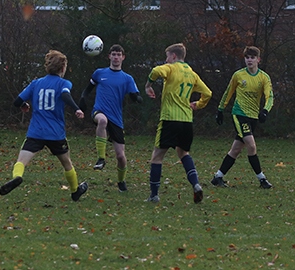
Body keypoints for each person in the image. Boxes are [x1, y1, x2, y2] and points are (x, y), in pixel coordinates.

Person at [0, 50, 89, 201]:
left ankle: (17, 177)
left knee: (21, 161)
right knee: (67, 164)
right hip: (55, 133)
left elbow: (16, 101)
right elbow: (65, 95)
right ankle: (75, 191)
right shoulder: (64, 83)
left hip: (36, 132)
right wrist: (77, 109)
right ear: (62, 68)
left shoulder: (36, 83)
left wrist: (24, 104)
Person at [144, 43, 212, 204]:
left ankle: (154, 195)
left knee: (157, 157)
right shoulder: (192, 73)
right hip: (186, 121)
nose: (166, 60)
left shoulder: (171, 68)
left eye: (167, 56)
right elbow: (207, 93)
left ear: (173, 56)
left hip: (169, 119)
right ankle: (196, 185)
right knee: (183, 154)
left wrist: (148, 85)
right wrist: (198, 104)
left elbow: (156, 71)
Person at [78, 44, 142, 192]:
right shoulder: (99, 73)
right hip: (99, 110)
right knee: (102, 120)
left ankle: (121, 181)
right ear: (109, 56)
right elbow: (87, 89)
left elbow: (134, 95)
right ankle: (101, 158)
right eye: (113, 54)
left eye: (119, 55)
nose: (116, 57)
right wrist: (82, 99)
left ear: (123, 57)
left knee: (120, 156)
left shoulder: (127, 78)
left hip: (117, 119)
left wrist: (137, 98)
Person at [212, 46, 274, 189]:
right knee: (251, 146)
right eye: (247, 57)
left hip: (253, 117)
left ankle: (218, 177)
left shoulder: (264, 77)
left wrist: (265, 110)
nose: (249, 60)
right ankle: (262, 179)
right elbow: (229, 92)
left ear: (258, 59)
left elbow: (269, 96)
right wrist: (221, 109)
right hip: (240, 115)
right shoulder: (238, 75)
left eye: (252, 57)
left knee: (235, 150)